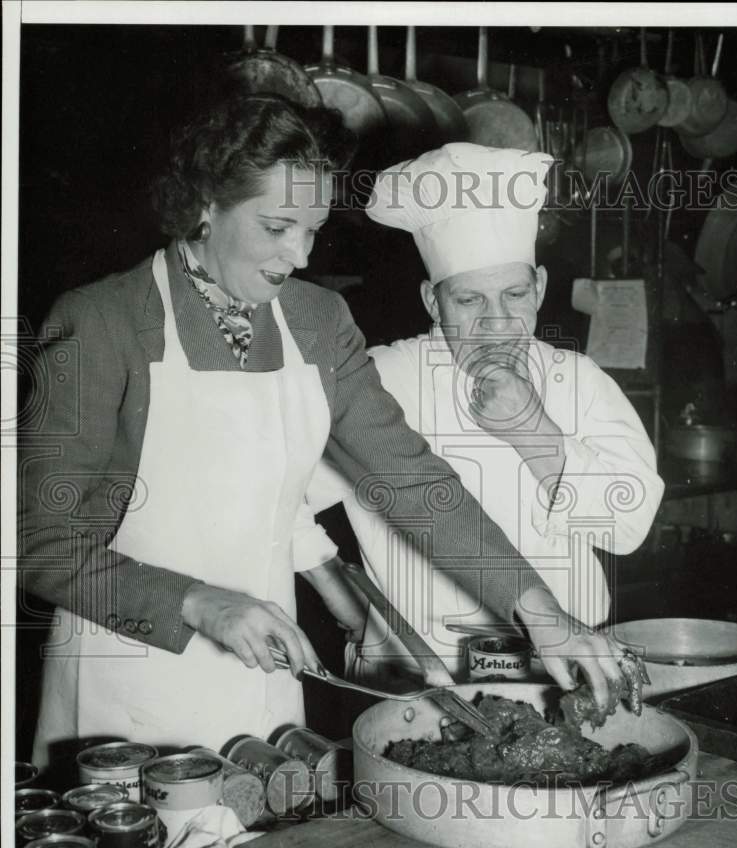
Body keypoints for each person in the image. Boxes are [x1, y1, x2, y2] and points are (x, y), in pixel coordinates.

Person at [20, 99, 633, 768]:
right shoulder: (102, 322)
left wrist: (543, 617)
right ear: (203, 205)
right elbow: (34, 538)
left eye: (312, 228)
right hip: (126, 681)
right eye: (277, 226)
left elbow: (412, 479)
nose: (299, 255)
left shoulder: (316, 319)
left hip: (270, 681)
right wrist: (196, 603)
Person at [304, 143, 665, 683]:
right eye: (470, 301)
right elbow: (277, 501)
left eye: (515, 294)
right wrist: (346, 605)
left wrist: (536, 434)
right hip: (420, 673)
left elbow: (630, 527)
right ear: (433, 301)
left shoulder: (579, 380)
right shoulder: (380, 378)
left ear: (539, 287)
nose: (497, 322)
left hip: (566, 670)